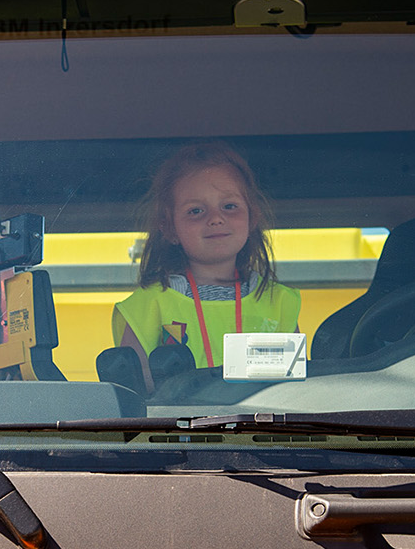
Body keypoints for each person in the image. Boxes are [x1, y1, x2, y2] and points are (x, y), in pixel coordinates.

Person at [112, 141, 301, 391]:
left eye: (229, 206)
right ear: (169, 228)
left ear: (251, 217)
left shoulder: (280, 303)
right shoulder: (145, 308)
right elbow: (135, 397)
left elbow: (292, 394)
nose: (215, 218)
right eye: (196, 210)